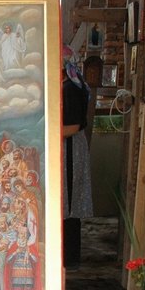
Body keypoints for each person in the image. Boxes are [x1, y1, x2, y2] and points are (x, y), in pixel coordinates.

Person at [62, 44, 92, 270]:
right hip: (66, 146)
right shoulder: (67, 84)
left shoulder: (70, 88)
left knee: (69, 201)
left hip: (70, 147)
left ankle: (69, 257)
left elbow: (72, 126)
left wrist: (46, 133)